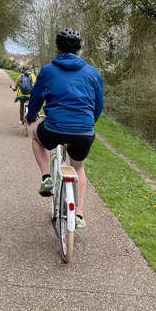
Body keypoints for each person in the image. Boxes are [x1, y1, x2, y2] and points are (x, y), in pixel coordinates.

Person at [25, 28, 103, 229]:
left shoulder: (48, 70)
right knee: (79, 167)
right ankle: (78, 214)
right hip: (85, 130)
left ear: (58, 48)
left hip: (54, 127)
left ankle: (46, 178)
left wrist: (31, 117)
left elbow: (36, 98)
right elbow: (98, 104)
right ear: (78, 49)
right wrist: (88, 123)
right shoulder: (93, 73)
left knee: (36, 137)